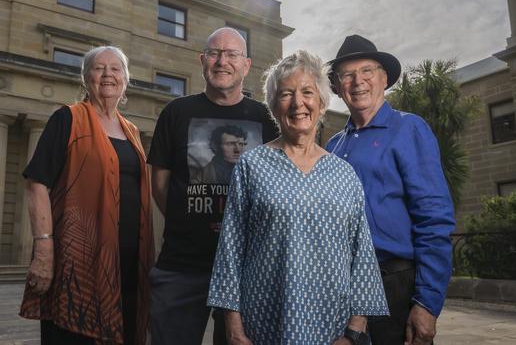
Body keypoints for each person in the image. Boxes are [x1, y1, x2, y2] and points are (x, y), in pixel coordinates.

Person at [207, 50, 388, 345]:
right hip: (263, 325)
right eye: (286, 94)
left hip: (333, 328)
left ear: (321, 101)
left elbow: (363, 256)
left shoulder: (344, 174)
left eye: (307, 92)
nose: (298, 103)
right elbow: (230, 250)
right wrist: (234, 328)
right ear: (275, 106)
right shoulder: (252, 165)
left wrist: (354, 333)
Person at [147, 27, 278, 345]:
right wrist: (191, 215)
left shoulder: (266, 118)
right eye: (215, 53)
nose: (223, 61)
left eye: (232, 54)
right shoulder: (176, 112)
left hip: (247, 270)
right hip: (182, 265)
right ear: (203, 61)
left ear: (246, 65)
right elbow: (161, 186)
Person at [326, 35, 456, 345]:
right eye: (347, 74)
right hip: (342, 289)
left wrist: (427, 302)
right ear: (337, 85)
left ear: (384, 78)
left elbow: (434, 218)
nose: (358, 81)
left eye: (367, 71)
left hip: (395, 286)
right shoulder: (332, 146)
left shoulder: (409, 128)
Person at [19, 46, 154, 345]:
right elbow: (37, 183)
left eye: (116, 68)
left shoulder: (132, 131)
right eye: (98, 68)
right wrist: (44, 248)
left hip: (130, 263)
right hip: (79, 261)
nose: (107, 74)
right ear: (85, 78)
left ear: (126, 79)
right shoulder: (67, 119)